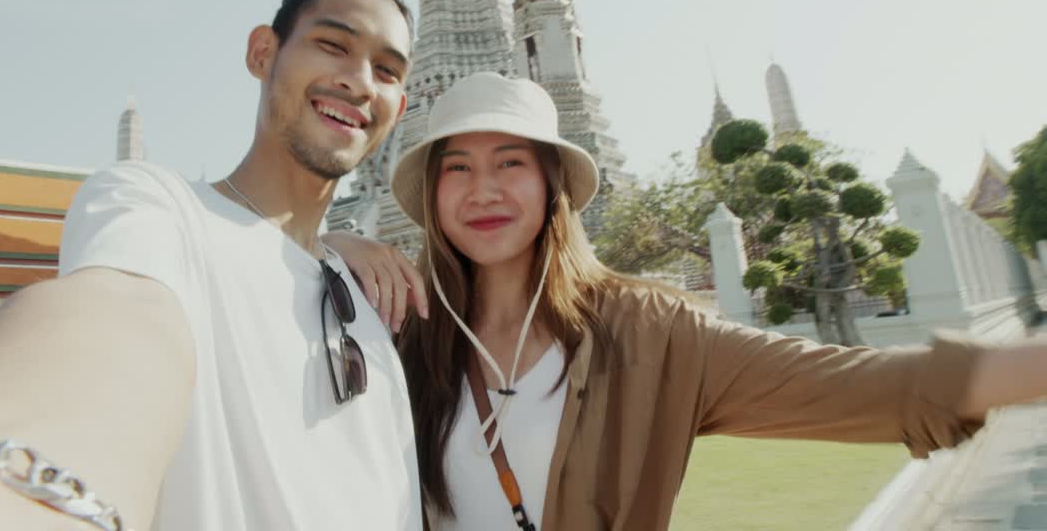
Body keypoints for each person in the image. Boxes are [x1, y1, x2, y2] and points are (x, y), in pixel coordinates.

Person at [0, 0, 429, 531]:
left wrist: (335, 250)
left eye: (388, 71)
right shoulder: (157, 209)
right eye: (332, 45)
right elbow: (115, 324)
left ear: (400, 105)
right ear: (263, 52)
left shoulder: (373, 298)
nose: (360, 81)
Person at [345, 71, 1047, 531]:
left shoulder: (650, 335)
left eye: (511, 163)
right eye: (458, 167)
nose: (484, 190)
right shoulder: (401, 331)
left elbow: (877, 386)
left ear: (553, 183)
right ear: (433, 195)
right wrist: (329, 252)